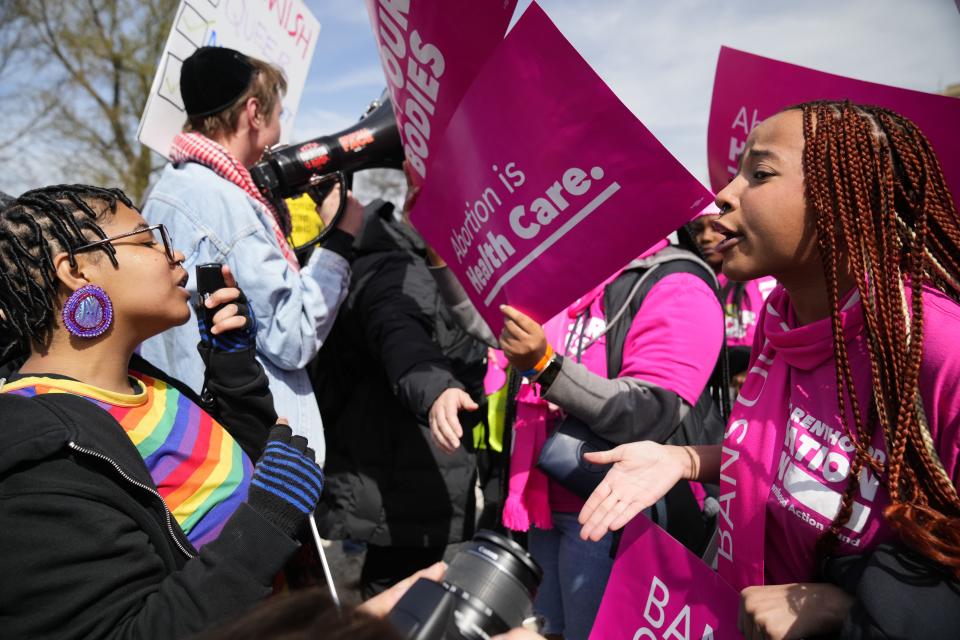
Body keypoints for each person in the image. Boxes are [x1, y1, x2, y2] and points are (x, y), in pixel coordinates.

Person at [578, 102, 960, 639]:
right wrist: (682, 459)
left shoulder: (939, 347)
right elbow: (783, 461)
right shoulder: (778, 319)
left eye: (759, 173)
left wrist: (846, 607)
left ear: (845, 195)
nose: (722, 197)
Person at [0, 185, 325, 638]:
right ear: (75, 270)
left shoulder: (141, 383)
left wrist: (233, 368)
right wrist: (269, 521)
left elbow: (238, 478)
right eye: (148, 238)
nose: (175, 256)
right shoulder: (35, 458)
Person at [427, 232, 725, 639]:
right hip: (544, 502)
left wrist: (546, 368)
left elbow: (652, 411)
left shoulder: (678, 282)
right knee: (547, 630)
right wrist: (440, 249)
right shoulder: (573, 274)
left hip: (617, 514)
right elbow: (499, 328)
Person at [139, 46, 364, 456]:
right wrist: (341, 238)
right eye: (278, 118)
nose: (279, 137)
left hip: (201, 442)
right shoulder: (223, 203)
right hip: (249, 455)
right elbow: (292, 336)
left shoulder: (176, 188)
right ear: (254, 113)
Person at [309, 199, 487, 599]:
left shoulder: (401, 258)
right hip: (403, 478)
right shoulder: (400, 270)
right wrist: (437, 389)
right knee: (404, 604)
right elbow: (400, 335)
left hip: (405, 472)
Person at [688, 205, 777, 395]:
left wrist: (755, 373)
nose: (706, 238)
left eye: (716, 228)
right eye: (698, 230)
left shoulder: (764, 278)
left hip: (762, 388)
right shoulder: (689, 285)